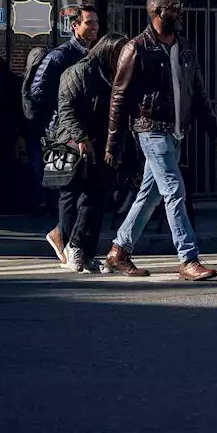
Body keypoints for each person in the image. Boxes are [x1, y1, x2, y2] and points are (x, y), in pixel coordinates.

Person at [104, 0, 217, 281]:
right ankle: (188, 258)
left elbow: (198, 94)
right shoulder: (136, 48)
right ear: (156, 12)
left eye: (179, 6)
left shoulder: (184, 47)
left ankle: (119, 250)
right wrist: (114, 142)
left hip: (175, 133)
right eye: (173, 8)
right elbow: (118, 98)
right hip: (150, 130)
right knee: (174, 191)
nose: (179, 12)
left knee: (151, 195)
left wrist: (216, 133)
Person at [26, 5, 99, 261]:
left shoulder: (94, 54)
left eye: (95, 23)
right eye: (88, 23)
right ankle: (67, 241)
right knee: (69, 188)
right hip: (64, 130)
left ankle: (66, 236)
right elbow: (37, 92)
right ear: (75, 26)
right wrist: (63, 105)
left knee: (86, 188)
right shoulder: (60, 56)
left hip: (87, 129)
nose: (93, 28)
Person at [53, 33, 127, 273]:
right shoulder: (80, 71)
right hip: (73, 143)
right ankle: (70, 247)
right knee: (71, 196)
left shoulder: (114, 75)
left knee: (97, 197)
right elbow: (66, 108)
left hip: (100, 142)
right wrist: (81, 138)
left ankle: (86, 250)